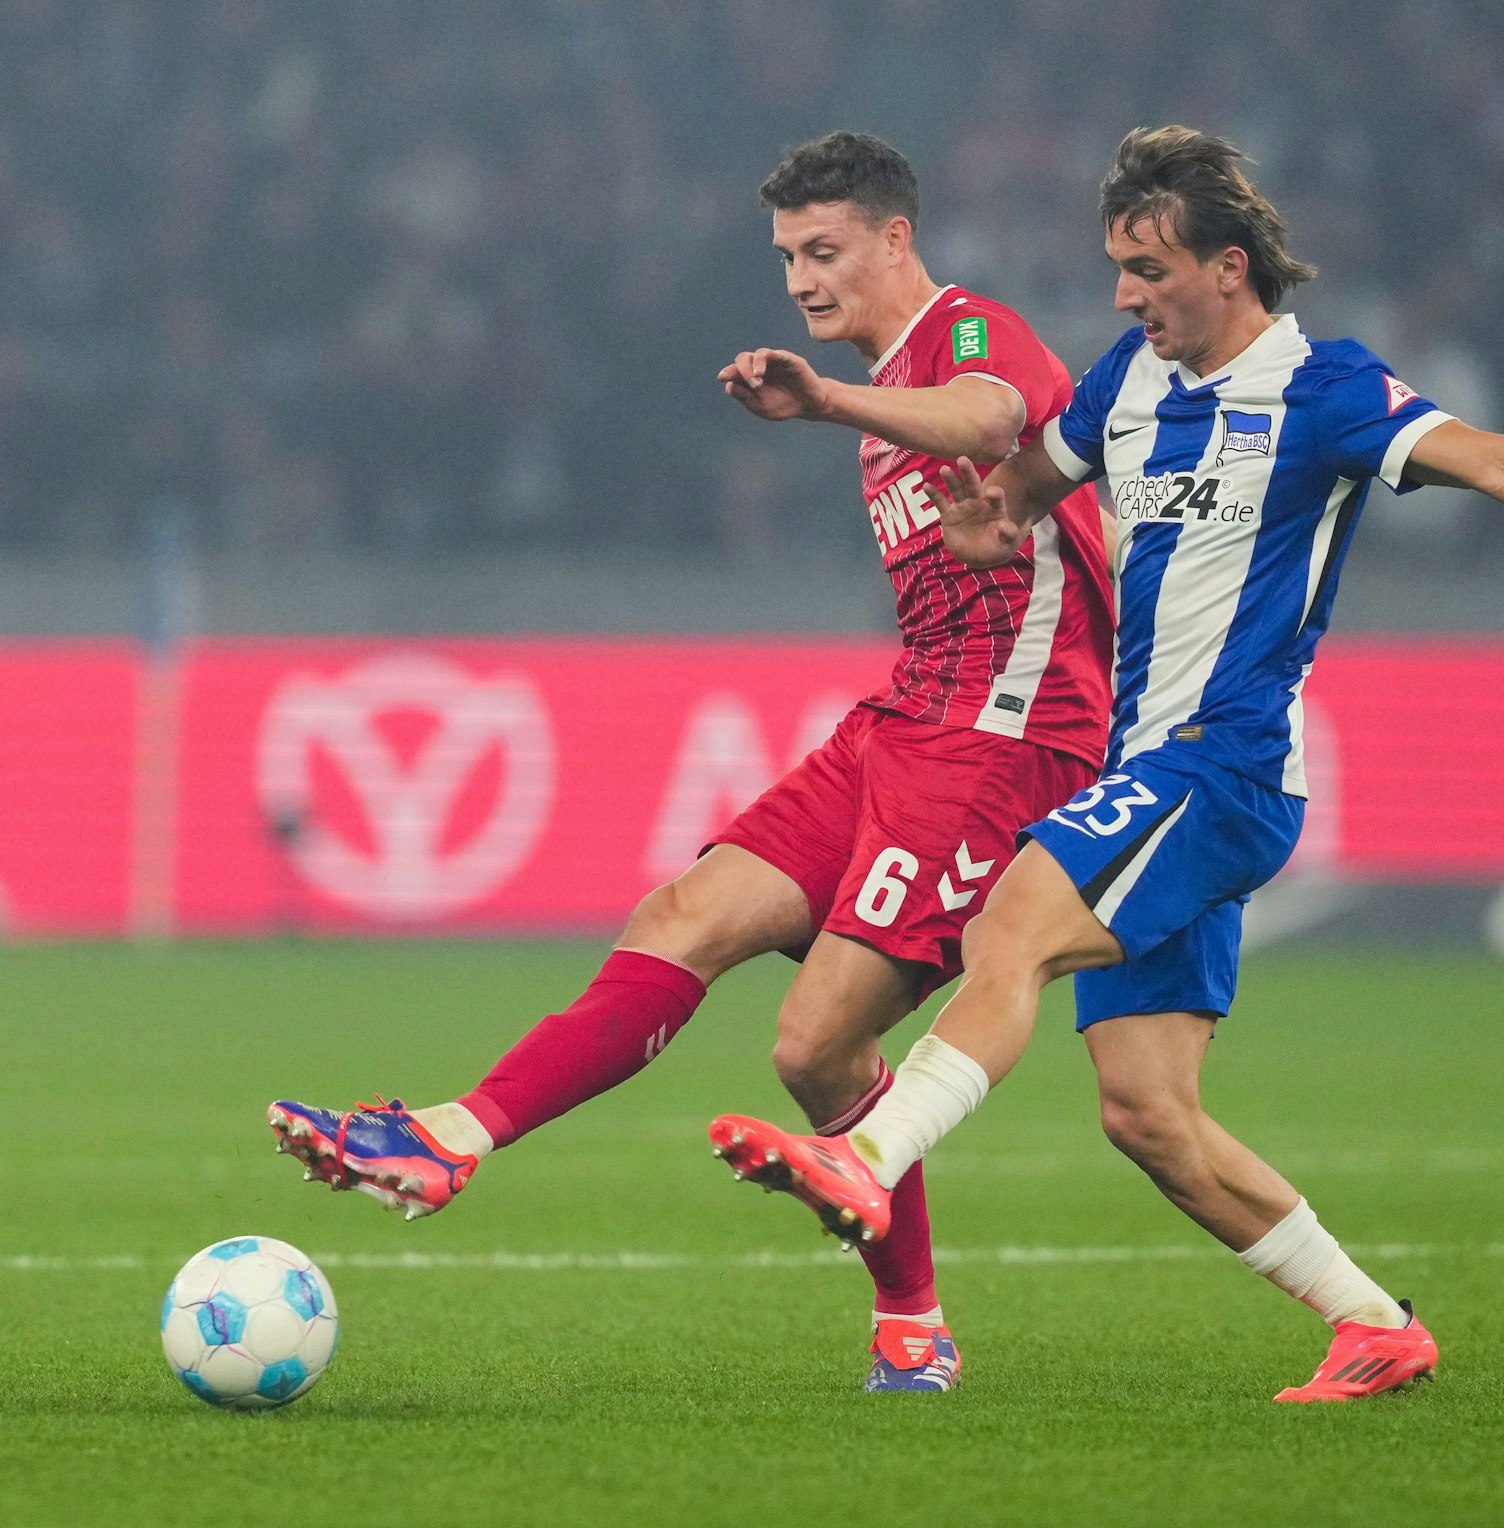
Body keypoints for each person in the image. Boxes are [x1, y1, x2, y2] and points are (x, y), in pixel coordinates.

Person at [709, 125, 1504, 1403]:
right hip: (1143, 764)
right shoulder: (1127, 384)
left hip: (1218, 771)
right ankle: (1372, 1322)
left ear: (1228, 269)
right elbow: (1017, 492)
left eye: (1148, 270)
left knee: (1013, 918)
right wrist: (986, 524)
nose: (1123, 295)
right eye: (1116, 267)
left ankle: (869, 1156)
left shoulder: (1326, 391)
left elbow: (1497, 460)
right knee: (1147, 1115)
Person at [267, 131, 1113, 1393]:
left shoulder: (966, 330)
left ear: (894, 239)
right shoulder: (880, 382)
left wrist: (825, 399)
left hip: (1006, 739)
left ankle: (913, 1320)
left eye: (823, 251)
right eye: (784, 257)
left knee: (814, 1047)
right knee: (685, 910)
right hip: (907, 717)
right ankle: (452, 1135)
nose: (800, 281)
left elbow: (997, 415)